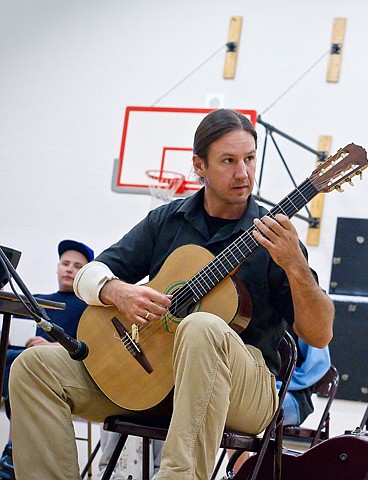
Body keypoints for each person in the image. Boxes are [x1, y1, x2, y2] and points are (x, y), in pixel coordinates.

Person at [8, 108, 334, 480]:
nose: (243, 173)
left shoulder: (276, 239)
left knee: (200, 327)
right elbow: (88, 274)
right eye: (228, 161)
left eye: (249, 159)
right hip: (153, 379)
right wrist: (118, 291)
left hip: (245, 389)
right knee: (33, 368)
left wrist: (295, 264)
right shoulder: (166, 221)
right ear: (199, 165)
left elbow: (319, 334)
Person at [96, 336, 330, 479]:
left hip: (290, 396)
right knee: (167, 398)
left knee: (219, 401)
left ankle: (238, 473)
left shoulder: (301, 313)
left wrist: (270, 384)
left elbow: (317, 368)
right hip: (238, 384)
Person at [0, 239, 93, 480]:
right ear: (57, 267)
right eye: (65, 263)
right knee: (12, 357)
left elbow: (89, 347)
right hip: (19, 358)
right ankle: (15, 448)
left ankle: (13, 448)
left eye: (76, 265)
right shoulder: (35, 300)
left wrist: (51, 345)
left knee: (25, 362)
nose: (69, 269)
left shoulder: (88, 308)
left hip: (61, 368)